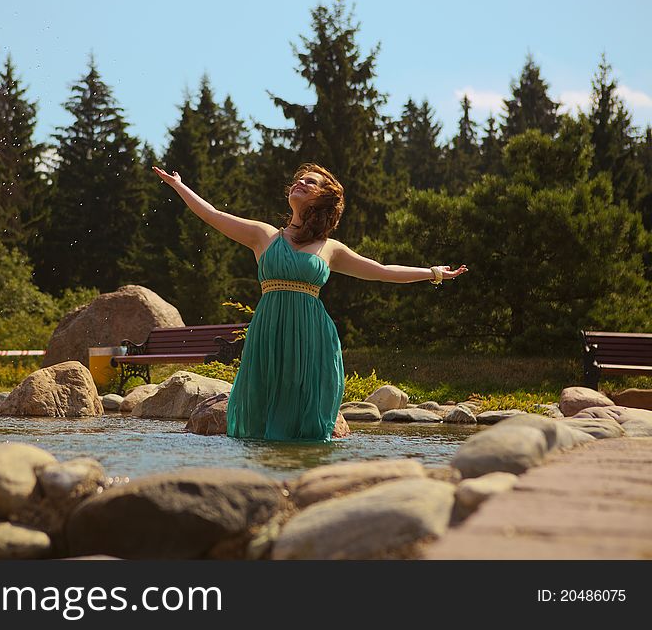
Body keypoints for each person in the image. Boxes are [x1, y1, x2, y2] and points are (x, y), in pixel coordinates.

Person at [152, 163, 468, 442]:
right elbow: (213, 216)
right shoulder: (264, 236)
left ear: (323, 199)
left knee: (303, 407)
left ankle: (302, 464)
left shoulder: (329, 248)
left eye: (311, 182)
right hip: (269, 331)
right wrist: (179, 185)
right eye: (299, 179)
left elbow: (382, 272)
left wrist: (432, 273)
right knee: (262, 406)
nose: (301, 182)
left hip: (311, 334)